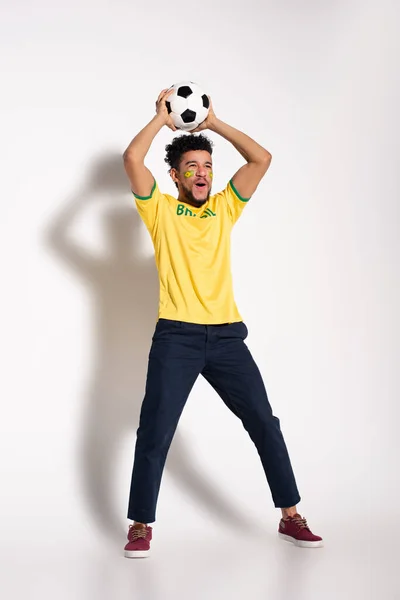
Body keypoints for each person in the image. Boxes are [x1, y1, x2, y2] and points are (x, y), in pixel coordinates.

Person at [122, 89, 323, 557]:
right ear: (175, 176)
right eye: (191, 167)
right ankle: (140, 524)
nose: (201, 173)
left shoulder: (224, 209)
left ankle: (290, 517)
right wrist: (161, 120)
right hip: (177, 337)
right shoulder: (160, 212)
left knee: (264, 424)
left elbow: (261, 158)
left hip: (228, 337)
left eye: (207, 167)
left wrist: (212, 124)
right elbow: (133, 157)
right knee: (155, 430)